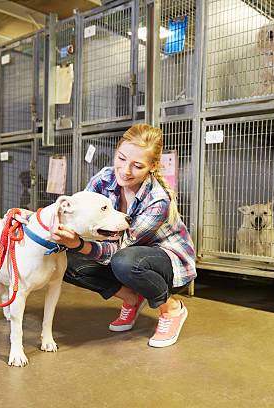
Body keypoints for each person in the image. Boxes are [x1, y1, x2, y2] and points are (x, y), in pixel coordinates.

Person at [53, 124, 196, 348]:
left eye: (137, 166)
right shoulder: (103, 179)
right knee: (61, 259)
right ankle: (131, 298)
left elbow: (119, 248)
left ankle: (171, 309)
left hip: (163, 260)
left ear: (153, 166)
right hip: (121, 252)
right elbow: (80, 217)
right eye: (121, 158)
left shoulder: (157, 199)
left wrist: (80, 244)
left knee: (124, 261)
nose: (125, 170)